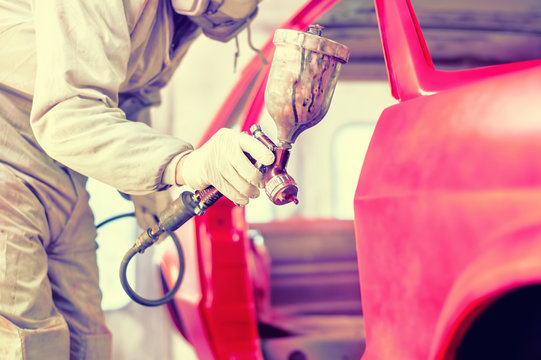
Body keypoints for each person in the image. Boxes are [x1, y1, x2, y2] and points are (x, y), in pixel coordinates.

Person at [0, 0, 274, 358]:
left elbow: (129, 94)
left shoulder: (179, 19)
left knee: (90, 342)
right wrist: (182, 164)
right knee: (28, 343)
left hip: (63, 173)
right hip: (9, 154)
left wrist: (145, 190)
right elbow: (68, 117)